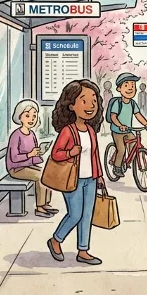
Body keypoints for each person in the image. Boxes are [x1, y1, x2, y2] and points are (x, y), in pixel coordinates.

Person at [47, 79, 105, 266]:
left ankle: (83, 250)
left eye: (94, 101)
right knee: (75, 214)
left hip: (90, 179)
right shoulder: (67, 131)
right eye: (85, 100)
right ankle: (56, 240)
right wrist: (70, 153)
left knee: (87, 215)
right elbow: (56, 154)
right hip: (73, 179)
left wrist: (100, 176)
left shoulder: (90, 130)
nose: (91, 106)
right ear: (71, 105)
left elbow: (95, 155)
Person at [7, 99, 56, 217]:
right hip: (16, 168)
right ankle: (40, 207)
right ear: (19, 117)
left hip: (27, 166)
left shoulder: (32, 134)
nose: (31, 119)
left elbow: (33, 155)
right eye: (27, 115)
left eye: (34, 116)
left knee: (47, 173)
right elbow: (14, 157)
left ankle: (46, 203)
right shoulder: (16, 135)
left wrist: (39, 153)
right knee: (40, 177)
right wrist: (30, 155)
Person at [108, 73, 147, 177]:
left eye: (133, 85)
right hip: (117, 131)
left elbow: (138, 115)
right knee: (122, 149)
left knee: (134, 145)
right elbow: (113, 116)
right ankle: (117, 167)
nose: (130, 88)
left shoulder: (132, 103)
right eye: (126, 85)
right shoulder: (118, 103)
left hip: (128, 130)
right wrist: (120, 125)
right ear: (119, 89)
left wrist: (146, 124)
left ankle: (128, 161)